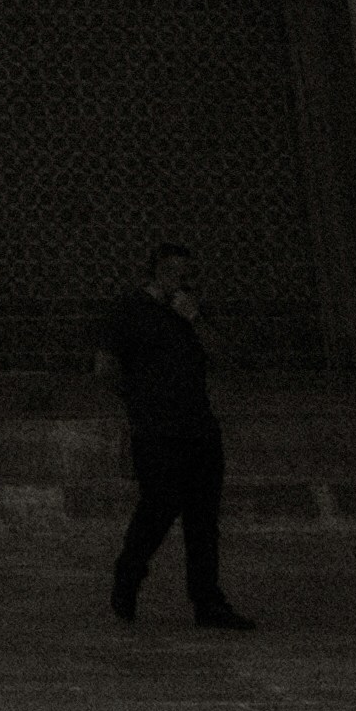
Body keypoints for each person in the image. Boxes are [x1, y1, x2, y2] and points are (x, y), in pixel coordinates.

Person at [105, 244, 245, 627]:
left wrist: (195, 319)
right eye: (172, 272)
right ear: (154, 273)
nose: (180, 281)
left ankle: (207, 601)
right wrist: (138, 404)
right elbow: (106, 366)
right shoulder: (130, 309)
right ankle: (129, 574)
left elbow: (225, 357)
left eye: (187, 274)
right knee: (159, 506)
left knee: (203, 518)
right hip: (155, 428)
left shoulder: (192, 312)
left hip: (198, 426)